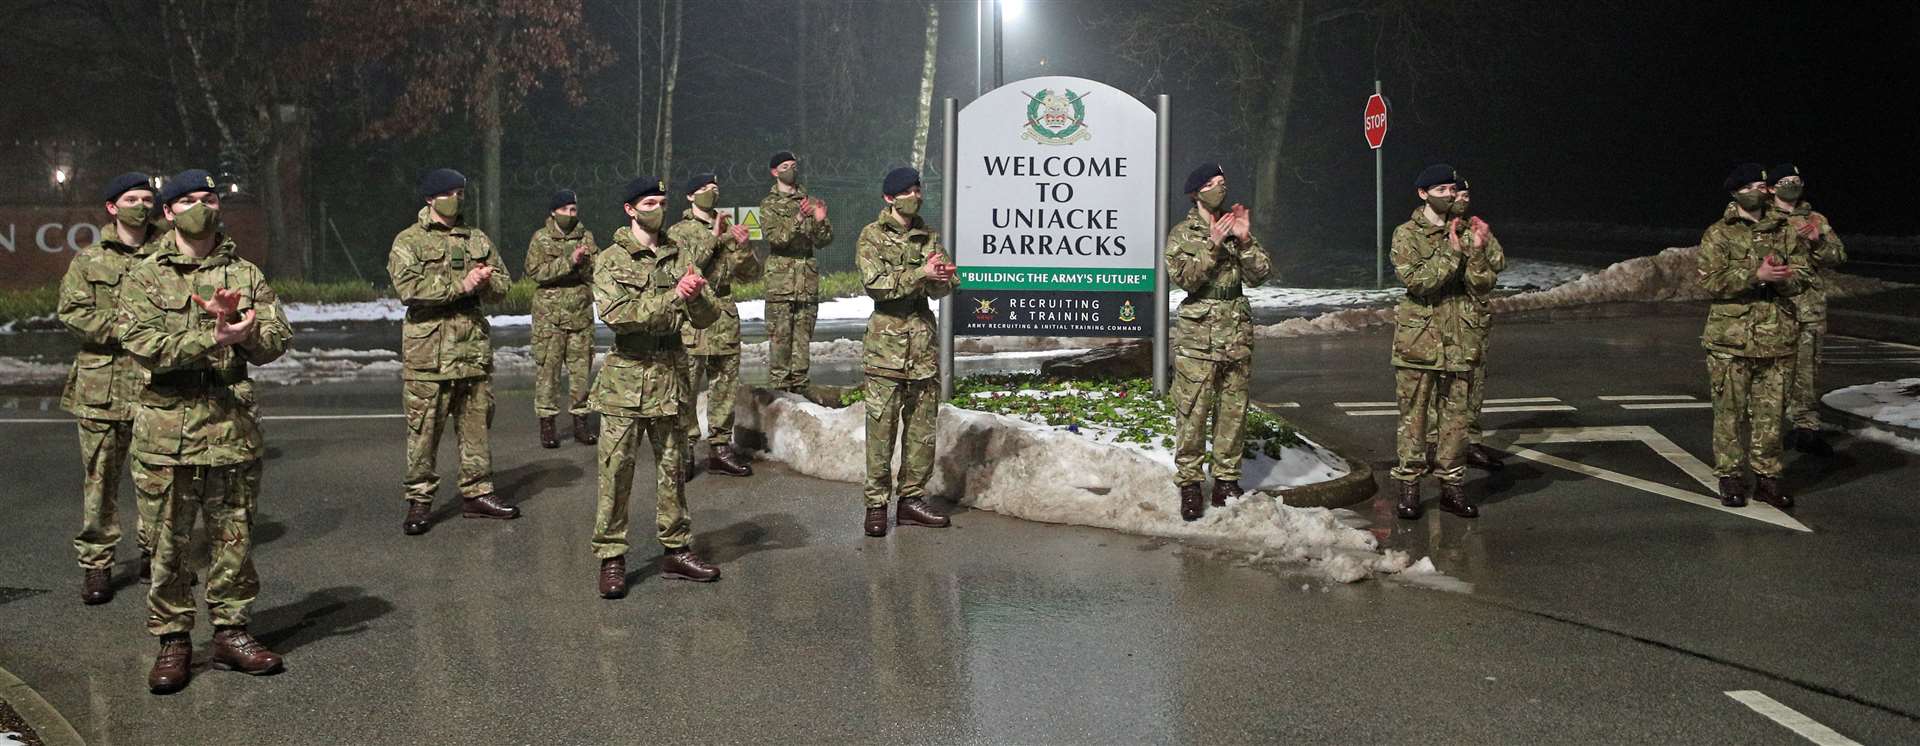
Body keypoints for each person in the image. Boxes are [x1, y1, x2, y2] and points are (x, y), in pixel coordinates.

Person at [118, 168, 293, 693]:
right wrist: (209, 336)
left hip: (231, 430)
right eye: (188, 200)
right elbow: (141, 342)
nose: (201, 207)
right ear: (167, 212)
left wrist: (248, 334)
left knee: (233, 538)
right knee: (167, 545)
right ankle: (173, 639)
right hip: (165, 436)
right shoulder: (145, 275)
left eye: (209, 198)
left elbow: (278, 339)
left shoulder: (245, 274)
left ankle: (231, 632)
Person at [590, 176, 723, 597]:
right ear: (630, 209)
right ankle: (612, 557)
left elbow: (707, 316)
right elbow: (618, 314)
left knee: (673, 470)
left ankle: (676, 549)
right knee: (616, 472)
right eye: (649, 202)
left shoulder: (678, 253)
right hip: (625, 379)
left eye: (662, 202)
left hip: (669, 375)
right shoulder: (611, 259)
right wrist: (674, 299)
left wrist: (697, 296)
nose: (657, 208)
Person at [388, 168, 519, 535]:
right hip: (429, 355)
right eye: (448, 192)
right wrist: (461, 285)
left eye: (460, 192)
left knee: (476, 427)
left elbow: (504, 285)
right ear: (430, 198)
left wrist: (487, 280)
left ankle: (477, 493)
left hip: (471, 353)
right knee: (423, 432)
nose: (456, 199)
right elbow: (409, 288)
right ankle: (419, 501)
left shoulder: (476, 239)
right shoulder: (408, 241)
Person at [60, 172, 164, 604]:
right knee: (100, 481)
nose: (141, 205)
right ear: (111, 207)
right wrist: (128, 328)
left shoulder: (168, 255)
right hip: (100, 388)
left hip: (154, 385)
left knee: (157, 478)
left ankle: (154, 555)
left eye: (147, 198)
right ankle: (97, 565)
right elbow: (71, 313)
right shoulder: (89, 261)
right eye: (131, 198)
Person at [1699, 163, 1809, 510]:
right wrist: (1754, 275)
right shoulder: (1718, 233)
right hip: (1730, 340)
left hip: (1777, 337)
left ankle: (1768, 479)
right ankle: (1730, 477)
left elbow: (1804, 274)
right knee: (1729, 413)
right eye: (1749, 186)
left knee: (1771, 414)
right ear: (1735, 192)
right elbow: (1710, 281)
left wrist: (1783, 278)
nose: (1758, 190)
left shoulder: (1785, 230)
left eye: (1761, 185)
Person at [1389, 164, 1497, 520]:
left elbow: (1482, 285)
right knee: (1414, 420)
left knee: (1455, 422)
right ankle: (1409, 487)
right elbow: (1418, 281)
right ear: (1423, 194)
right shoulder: (1406, 235)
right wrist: (1453, 254)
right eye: (1442, 190)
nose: (1450, 195)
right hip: (1419, 340)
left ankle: (1452, 487)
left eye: (1453, 190)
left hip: (1460, 338)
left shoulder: (1464, 231)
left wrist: (1477, 252)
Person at [1165, 162, 1271, 521]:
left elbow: (1260, 274)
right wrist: (1211, 245)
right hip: (1198, 334)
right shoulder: (1182, 233)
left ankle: (1226, 481)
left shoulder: (1234, 226)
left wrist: (1244, 240)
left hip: (1236, 331)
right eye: (1212, 184)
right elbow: (1186, 279)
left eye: (1223, 183)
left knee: (1233, 411)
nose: (1219, 189)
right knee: (1193, 410)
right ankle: (1191, 484)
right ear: (1196, 192)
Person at [855, 167, 956, 537]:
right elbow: (876, 285)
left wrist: (942, 279)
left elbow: (945, 286)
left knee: (921, 432)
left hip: (923, 349)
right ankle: (876, 504)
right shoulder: (872, 236)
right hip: (886, 349)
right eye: (907, 191)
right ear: (889, 198)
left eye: (918, 189)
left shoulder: (928, 236)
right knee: (881, 432)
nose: (915, 196)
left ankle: (912, 499)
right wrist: (920, 275)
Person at [670, 173, 761, 477]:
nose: (712, 192)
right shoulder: (679, 232)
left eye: (715, 187)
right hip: (693, 319)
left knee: (724, 386)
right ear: (689, 196)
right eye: (704, 189)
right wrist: (717, 238)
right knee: (685, 389)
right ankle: (683, 450)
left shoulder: (727, 225)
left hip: (723, 317)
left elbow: (749, 275)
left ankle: (720, 448)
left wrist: (744, 246)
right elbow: (686, 269)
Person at [1768, 163, 1846, 457]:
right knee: (1772, 372)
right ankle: (1769, 431)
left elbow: (1838, 255)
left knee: (1808, 371)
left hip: (1809, 309)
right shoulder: (1762, 220)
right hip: (1774, 309)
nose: (1793, 185)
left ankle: (1807, 429)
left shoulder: (1815, 219)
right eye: (1786, 181)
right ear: (1773, 187)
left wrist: (1818, 241)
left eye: (1797, 180)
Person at [525, 188, 600, 449]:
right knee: (549, 372)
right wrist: (569, 262)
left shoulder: (586, 237)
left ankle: (581, 422)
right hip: (550, 318)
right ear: (553, 212)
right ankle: (547, 424)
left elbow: (596, 271)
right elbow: (536, 272)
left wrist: (586, 271)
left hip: (579, 316)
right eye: (564, 210)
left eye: (573, 210)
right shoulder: (541, 238)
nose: (569, 214)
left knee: (581, 373)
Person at [758, 151, 834, 392]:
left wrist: (820, 220)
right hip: (781, 284)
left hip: (806, 282)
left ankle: (801, 399)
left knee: (802, 347)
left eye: (793, 165)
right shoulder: (769, 204)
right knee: (780, 349)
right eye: (784, 166)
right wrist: (799, 218)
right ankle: (779, 403)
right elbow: (776, 238)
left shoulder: (809, 201)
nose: (791, 169)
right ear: (774, 172)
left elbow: (824, 241)